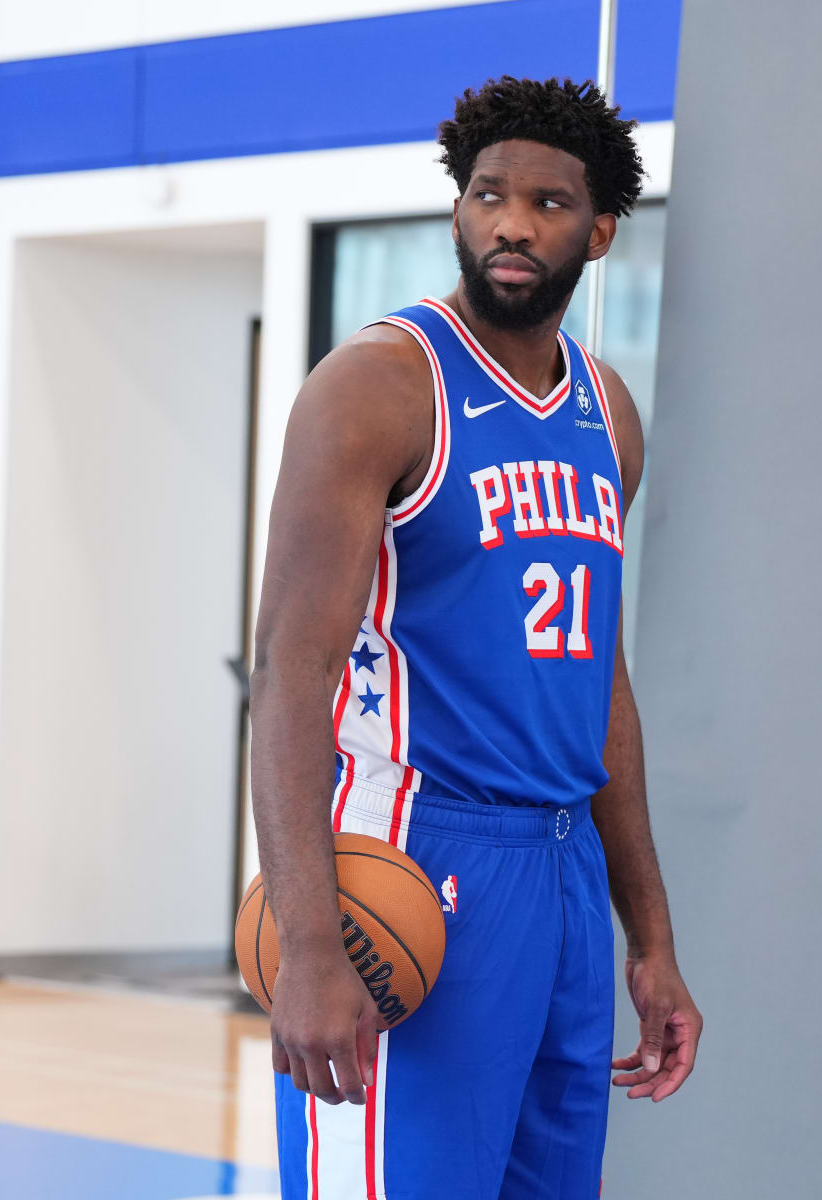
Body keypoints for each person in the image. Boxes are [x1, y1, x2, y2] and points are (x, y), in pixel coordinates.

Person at [249, 76, 700, 1200]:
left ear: (597, 234)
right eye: (488, 195)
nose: (510, 222)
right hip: (413, 859)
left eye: (548, 203)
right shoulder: (379, 390)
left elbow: (600, 684)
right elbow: (290, 672)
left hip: (559, 872)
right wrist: (309, 942)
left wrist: (649, 937)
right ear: (458, 213)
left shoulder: (609, 416)